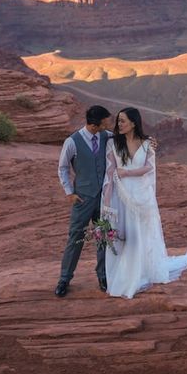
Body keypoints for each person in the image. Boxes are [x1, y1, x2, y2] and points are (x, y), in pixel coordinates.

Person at [101, 107, 187, 299]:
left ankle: (142, 271)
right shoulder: (112, 143)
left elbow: (149, 168)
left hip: (142, 194)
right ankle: (128, 274)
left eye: (123, 121)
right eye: (118, 121)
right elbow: (110, 172)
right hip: (121, 193)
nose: (119, 124)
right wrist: (107, 198)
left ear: (134, 123)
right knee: (126, 234)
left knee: (142, 233)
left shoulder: (147, 143)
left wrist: (127, 172)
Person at [55, 105, 112, 297]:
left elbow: (128, 139)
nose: (108, 124)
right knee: (75, 238)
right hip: (82, 199)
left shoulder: (107, 136)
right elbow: (63, 168)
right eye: (106, 121)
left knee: (103, 237)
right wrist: (69, 193)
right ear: (96, 124)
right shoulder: (72, 141)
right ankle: (64, 279)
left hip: (103, 199)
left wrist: (148, 141)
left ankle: (103, 276)